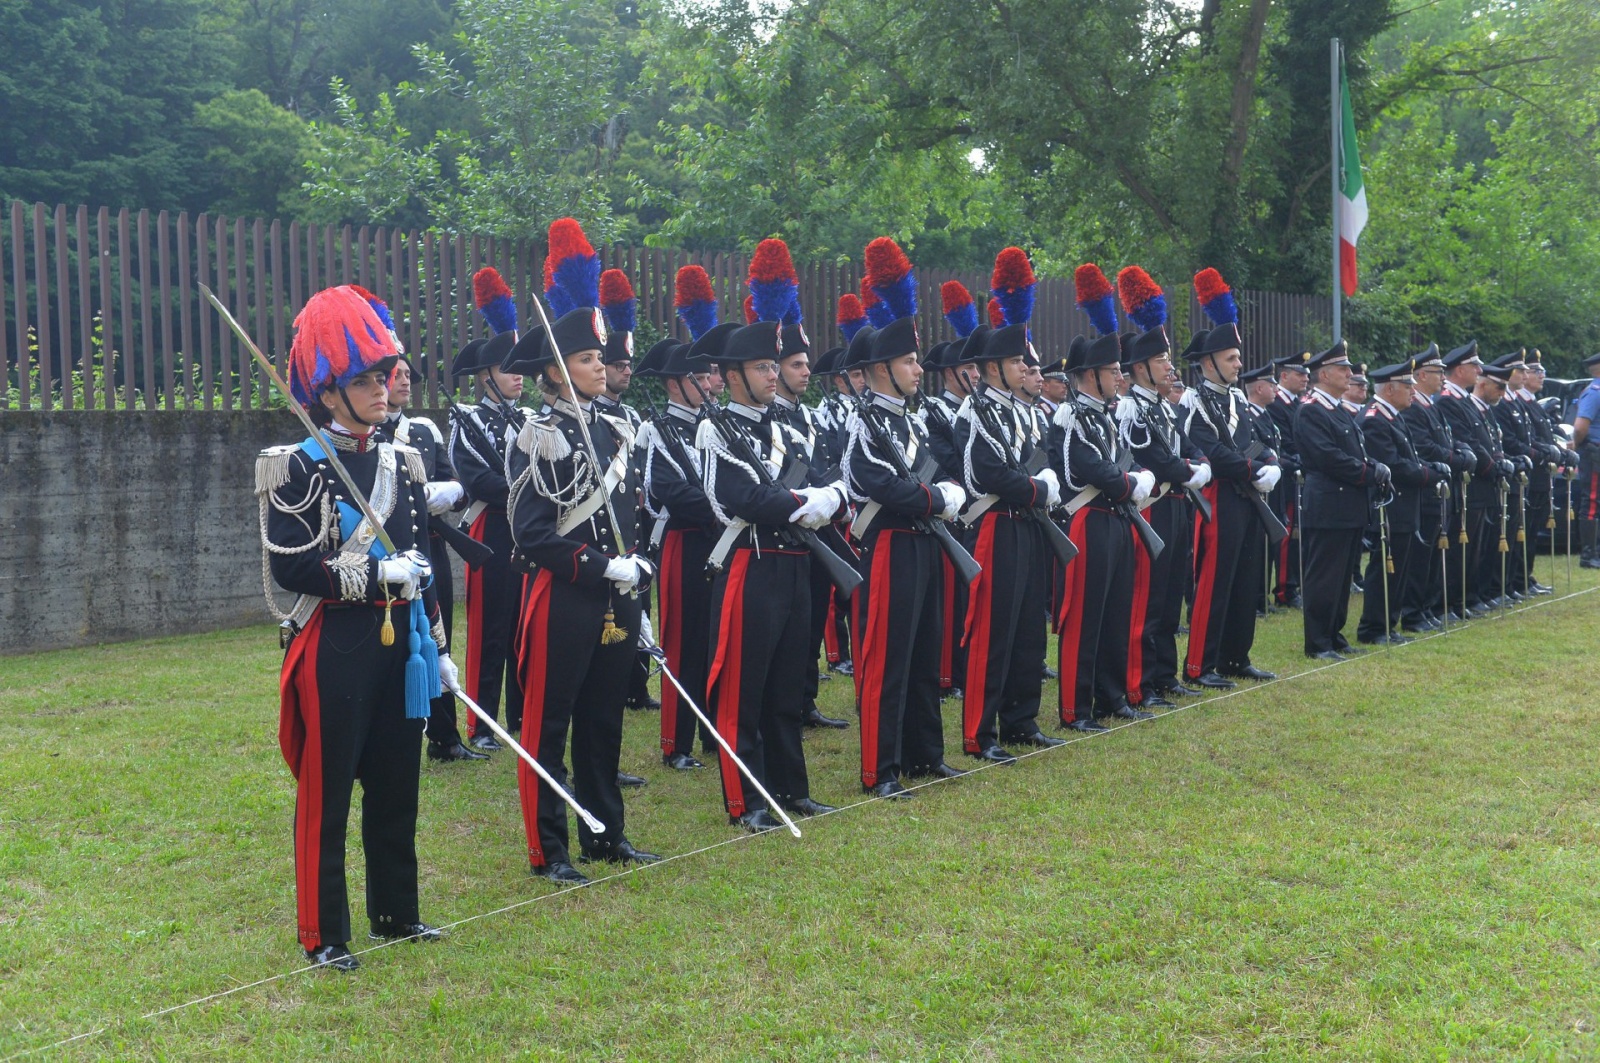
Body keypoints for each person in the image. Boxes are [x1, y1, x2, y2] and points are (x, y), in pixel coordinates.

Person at [255, 285, 451, 971]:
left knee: (398, 785)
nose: (382, 385)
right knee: (328, 792)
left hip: (402, 647)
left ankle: (396, 910)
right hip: (335, 645)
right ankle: (324, 931)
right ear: (328, 389)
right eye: (365, 376)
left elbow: (420, 560)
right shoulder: (296, 464)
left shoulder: (402, 461)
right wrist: (373, 578)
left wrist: (439, 645)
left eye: (384, 372)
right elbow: (292, 567)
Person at [501, 219, 662, 885]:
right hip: (563, 596)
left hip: (616, 597)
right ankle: (551, 849)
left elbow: (633, 514)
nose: (603, 365)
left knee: (603, 722)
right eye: (590, 358)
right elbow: (532, 533)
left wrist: (635, 578)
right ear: (554, 369)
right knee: (549, 725)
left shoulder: (620, 427)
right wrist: (600, 567)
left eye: (602, 357)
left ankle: (606, 834)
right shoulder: (539, 436)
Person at [697, 295, 852, 831]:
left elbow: (832, 477)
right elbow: (745, 498)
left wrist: (829, 498)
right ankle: (747, 800)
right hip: (750, 565)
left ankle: (793, 788)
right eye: (762, 366)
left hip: (793, 563)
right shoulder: (715, 429)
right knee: (743, 689)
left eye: (773, 365)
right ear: (734, 374)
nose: (771, 375)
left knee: (788, 684)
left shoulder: (785, 427)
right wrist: (813, 502)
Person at [839, 247, 969, 795]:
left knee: (923, 650)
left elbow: (928, 474)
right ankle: (881, 768)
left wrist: (939, 495)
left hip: (922, 542)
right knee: (887, 658)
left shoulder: (910, 423)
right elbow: (879, 485)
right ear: (878, 370)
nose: (919, 369)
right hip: (889, 545)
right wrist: (936, 499)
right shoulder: (863, 420)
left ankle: (924, 754)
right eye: (910, 361)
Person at [953, 247, 1066, 762]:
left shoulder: (1024, 411)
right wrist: (1040, 488)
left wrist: (1041, 484)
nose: (1027, 367)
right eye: (1019, 360)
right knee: (994, 631)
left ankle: (1021, 720)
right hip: (997, 526)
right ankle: (981, 732)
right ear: (994, 366)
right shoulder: (978, 411)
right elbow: (988, 474)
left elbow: (1038, 463)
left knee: (1027, 628)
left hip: (1028, 525)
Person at [750, 242, 852, 731]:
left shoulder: (811, 417)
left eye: (803, 364)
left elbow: (828, 465)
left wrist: (833, 498)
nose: (804, 372)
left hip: (821, 523)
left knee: (812, 618)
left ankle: (805, 698)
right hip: (786, 528)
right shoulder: (765, 422)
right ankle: (789, 701)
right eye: (793, 365)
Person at [1055, 268, 1156, 731]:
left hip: (1116, 518)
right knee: (1086, 615)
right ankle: (1076, 707)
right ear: (1090, 374)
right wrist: (1127, 482)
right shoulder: (1072, 414)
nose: (1120, 376)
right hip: (1089, 518)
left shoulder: (1105, 415)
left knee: (1116, 609)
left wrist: (1131, 478)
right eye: (1113, 370)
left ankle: (1111, 694)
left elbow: (1119, 459)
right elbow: (1089, 468)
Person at [382, 347, 485, 764]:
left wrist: (438, 495)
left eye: (408, 375)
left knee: (440, 639)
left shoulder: (424, 431)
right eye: (396, 375)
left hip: (431, 548)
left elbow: (459, 486)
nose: (405, 381)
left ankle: (445, 737)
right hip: (388, 555)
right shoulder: (368, 435)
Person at [1114, 266, 1209, 708]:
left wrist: (1198, 465)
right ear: (1139, 367)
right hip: (1151, 505)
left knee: (1172, 594)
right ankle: (1141, 682)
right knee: (1147, 600)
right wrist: (1188, 470)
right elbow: (1155, 457)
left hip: (1175, 504)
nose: (1169, 367)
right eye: (1161, 360)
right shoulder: (1131, 408)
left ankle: (1165, 674)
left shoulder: (1164, 408)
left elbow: (1188, 446)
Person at [1179, 269, 1280, 687]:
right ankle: (1201, 664)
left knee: (1245, 578)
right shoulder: (1194, 400)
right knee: (1215, 581)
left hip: (1245, 497)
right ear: (1208, 363)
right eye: (1232, 358)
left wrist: (1270, 461)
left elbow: (1251, 441)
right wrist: (1255, 469)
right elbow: (1214, 454)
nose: (1240, 364)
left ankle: (1237, 656)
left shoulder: (1236, 398)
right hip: (1220, 496)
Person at [448, 268, 528, 749]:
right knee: (489, 630)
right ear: (485, 377)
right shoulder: (469, 420)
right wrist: (524, 491)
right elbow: (477, 479)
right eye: (508, 369)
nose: (519, 376)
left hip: (525, 529)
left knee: (523, 623)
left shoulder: (531, 420)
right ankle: (481, 724)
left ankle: (519, 716)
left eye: (520, 369)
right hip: (490, 529)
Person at [636, 331, 720, 771]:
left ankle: (711, 732)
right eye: (698, 376)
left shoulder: (713, 425)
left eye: (708, 375)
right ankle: (676, 742)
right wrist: (721, 503)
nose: (708, 383)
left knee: (713, 640)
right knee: (682, 644)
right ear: (674, 384)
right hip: (685, 541)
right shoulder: (659, 429)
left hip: (717, 542)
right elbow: (665, 490)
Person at [1296, 340, 1387, 660]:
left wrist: (1372, 467)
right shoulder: (1311, 409)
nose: (1350, 374)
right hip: (1328, 504)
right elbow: (1327, 457)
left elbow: (1353, 452)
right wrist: (1368, 473)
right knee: (1324, 575)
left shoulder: (1336, 408)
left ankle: (1334, 634)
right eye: (1343, 369)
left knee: (1344, 574)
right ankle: (1318, 641)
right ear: (1323, 374)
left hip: (1348, 504)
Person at [594, 269, 659, 715]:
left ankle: (637, 686)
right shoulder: (588, 419)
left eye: (627, 365)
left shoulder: (631, 416)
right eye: (617, 365)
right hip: (601, 533)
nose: (625, 372)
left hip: (635, 526)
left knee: (639, 606)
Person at [1356, 358, 1439, 644]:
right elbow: (1392, 464)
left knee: (1400, 568)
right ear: (1390, 389)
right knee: (1385, 569)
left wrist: (1427, 468)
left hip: (1405, 507)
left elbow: (1408, 458)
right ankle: (1373, 627)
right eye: (1408, 386)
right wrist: (1429, 473)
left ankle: (1389, 624)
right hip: (1389, 507)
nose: (1413, 392)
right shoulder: (1375, 419)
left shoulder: (1393, 415)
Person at [1395, 344, 1473, 631]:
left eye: (1442, 371)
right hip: (1427, 490)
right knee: (1421, 557)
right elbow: (1424, 447)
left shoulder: (1431, 405)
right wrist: (1454, 458)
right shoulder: (1415, 407)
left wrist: (1461, 450)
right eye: (1436, 371)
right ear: (1420, 375)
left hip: (1441, 491)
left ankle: (1427, 608)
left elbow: (1446, 441)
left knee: (1432, 556)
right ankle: (1414, 612)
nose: (1442, 376)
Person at [1268, 352, 1309, 607]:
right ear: (1284, 376)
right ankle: (1285, 589)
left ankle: (1293, 584)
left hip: (1299, 473)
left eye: (1306, 374)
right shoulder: (1277, 404)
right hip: (1285, 476)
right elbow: (1286, 442)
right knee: (1288, 533)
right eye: (1299, 374)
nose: (1305, 378)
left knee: (1297, 535)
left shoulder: (1297, 403)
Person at [1575, 352, 1600, 568]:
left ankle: (1596, 552)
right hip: (1593, 451)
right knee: (1591, 502)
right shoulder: (1594, 392)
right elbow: (1581, 427)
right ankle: (1588, 555)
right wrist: (1577, 444)